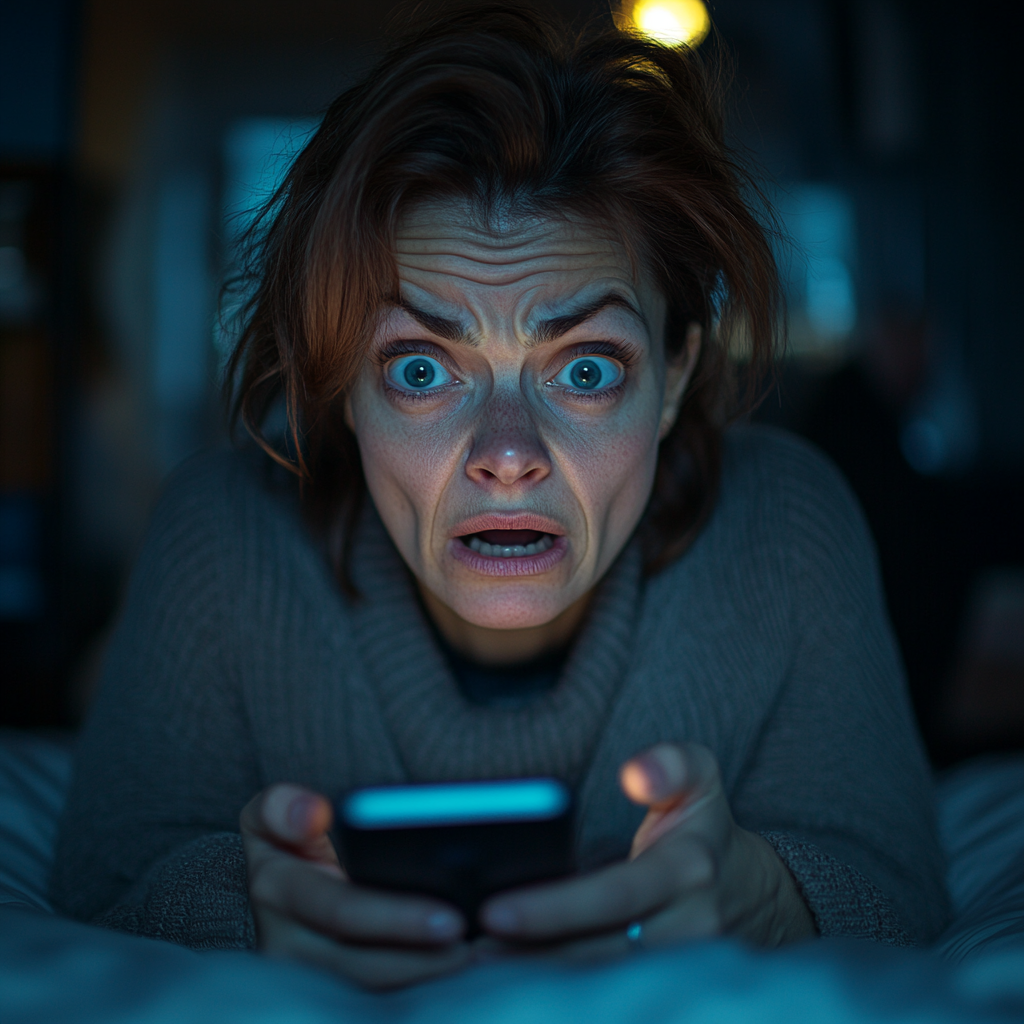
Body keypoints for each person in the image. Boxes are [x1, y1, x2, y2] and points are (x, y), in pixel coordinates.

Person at [51, 3, 949, 990]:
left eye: (586, 370)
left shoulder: (785, 528)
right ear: (340, 382)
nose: (507, 455)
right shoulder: (222, 537)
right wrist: (243, 906)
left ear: (675, 377)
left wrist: (774, 895)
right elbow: (100, 886)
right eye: (422, 372)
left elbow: (899, 883)